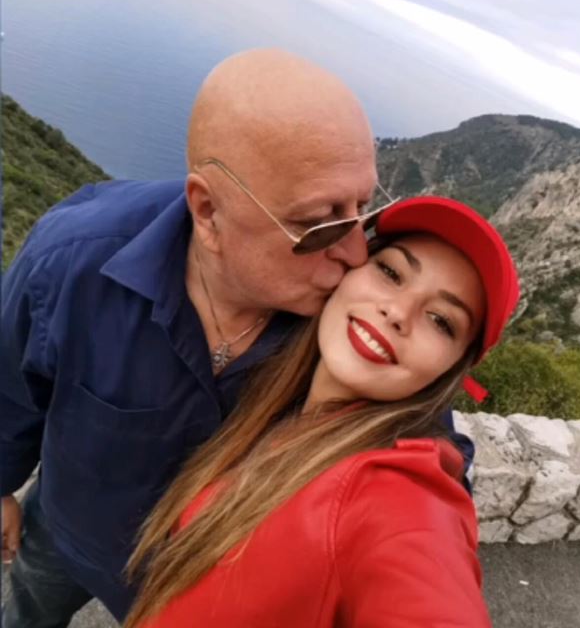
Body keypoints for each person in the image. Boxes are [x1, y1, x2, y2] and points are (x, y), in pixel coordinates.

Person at [1, 48, 394, 625]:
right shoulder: (73, 263)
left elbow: (421, 442)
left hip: (204, 587)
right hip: (67, 539)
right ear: (208, 211)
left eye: (364, 210)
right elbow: (12, 381)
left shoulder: (354, 310)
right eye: (321, 225)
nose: (356, 252)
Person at [124, 196, 520, 628]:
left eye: (441, 320)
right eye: (390, 272)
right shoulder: (276, 401)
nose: (397, 312)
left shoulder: (394, 493)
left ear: (451, 369)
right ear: (348, 272)